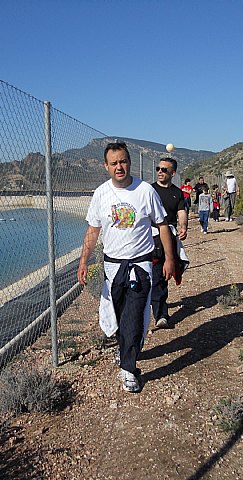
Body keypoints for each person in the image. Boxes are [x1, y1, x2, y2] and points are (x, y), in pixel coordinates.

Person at [77, 142, 175, 393]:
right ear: (106, 166)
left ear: (129, 162)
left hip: (140, 265)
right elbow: (93, 231)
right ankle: (126, 351)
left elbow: (162, 225)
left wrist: (169, 259)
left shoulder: (145, 191)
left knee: (133, 317)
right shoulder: (101, 194)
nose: (119, 167)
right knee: (119, 317)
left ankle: (129, 369)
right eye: (114, 163)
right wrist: (83, 261)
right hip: (112, 268)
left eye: (123, 161)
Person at [151, 157, 188, 329]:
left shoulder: (177, 193)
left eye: (164, 169)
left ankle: (161, 315)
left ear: (172, 173)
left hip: (165, 240)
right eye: (158, 168)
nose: (160, 171)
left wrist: (183, 226)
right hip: (146, 239)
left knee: (160, 276)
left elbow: (181, 212)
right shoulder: (149, 190)